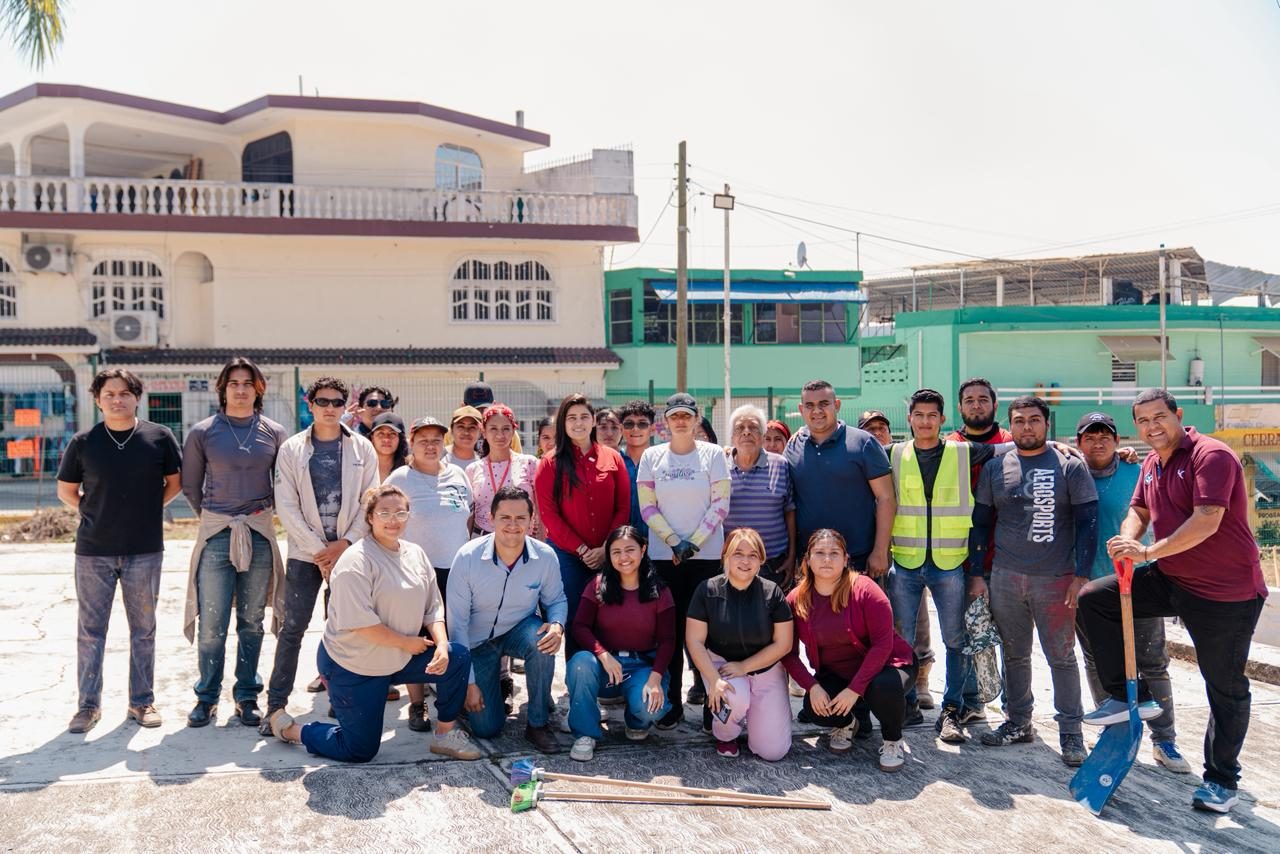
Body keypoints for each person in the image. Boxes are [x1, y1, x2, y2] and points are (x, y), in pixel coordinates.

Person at [1079, 389, 1268, 814]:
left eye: (1159, 417)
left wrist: (1147, 551)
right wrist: (1127, 538)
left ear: (1178, 415)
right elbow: (1139, 510)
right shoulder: (1151, 462)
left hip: (1225, 593)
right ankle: (1133, 695)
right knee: (1095, 600)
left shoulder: (1210, 455)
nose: (1152, 427)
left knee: (1224, 686)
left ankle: (1221, 781)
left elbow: (1207, 520)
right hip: (1174, 579)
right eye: (1143, 421)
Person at [268, 485, 481, 763]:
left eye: (400, 513)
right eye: (384, 513)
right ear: (370, 517)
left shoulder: (416, 553)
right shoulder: (355, 562)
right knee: (359, 750)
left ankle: (444, 735)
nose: (393, 520)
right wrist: (407, 643)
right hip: (353, 664)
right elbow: (363, 625)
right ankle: (293, 730)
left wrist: (441, 644)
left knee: (457, 657)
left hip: (398, 657)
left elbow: (433, 608)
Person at [969, 395, 1098, 767]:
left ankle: (1071, 734)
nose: (1027, 426)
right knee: (1014, 654)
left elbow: (1088, 523)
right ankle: (1018, 722)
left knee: (1061, 657)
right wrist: (977, 574)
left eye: (1034, 420)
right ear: (1010, 426)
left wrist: (1081, 576)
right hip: (1006, 577)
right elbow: (980, 524)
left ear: (1046, 423)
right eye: (1020, 420)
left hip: (1056, 580)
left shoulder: (1070, 465)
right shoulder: (996, 467)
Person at [885, 389, 1020, 741]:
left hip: (950, 563)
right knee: (902, 640)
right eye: (919, 415)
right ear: (909, 419)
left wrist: (1060, 448)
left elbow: (1012, 447)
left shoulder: (962, 451)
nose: (925, 421)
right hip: (906, 560)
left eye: (932, 415)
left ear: (943, 420)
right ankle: (907, 704)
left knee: (956, 640)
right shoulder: (894, 453)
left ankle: (951, 711)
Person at [57, 369, 183, 733]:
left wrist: (148, 509)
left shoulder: (159, 437)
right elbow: (66, 490)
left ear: (137, 397)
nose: (117, 399)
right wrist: (94, 512)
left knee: (143, 630)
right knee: (90, 632)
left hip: (144, 549)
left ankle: (141, 702)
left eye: (125, 393)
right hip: (93, 551)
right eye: (109, 394)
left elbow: (174, 483)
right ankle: (88, 706)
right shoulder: (84, 442)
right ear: (98, 400)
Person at [1072, 411, 1188, 774]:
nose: (1098, 443)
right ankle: (1115, 732)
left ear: (1118, 441)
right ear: (1078, 443)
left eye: (1105, 436)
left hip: (1137, 582)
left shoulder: (1136, 471)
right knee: (1097, 662)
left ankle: (1164, 739)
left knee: (1151, 661)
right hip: (1088, 587)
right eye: (1090, 437)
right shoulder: (1071, 472)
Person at [266, 377, 381, 734]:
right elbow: (286, 506)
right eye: (322, 401)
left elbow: (370, 500)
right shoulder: (292, 449)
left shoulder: (362, 448)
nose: (329, 408)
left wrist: (344, 544)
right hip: (306, 555)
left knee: (344, 629)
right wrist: (320, 550)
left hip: (349, 553)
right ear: (310, 404)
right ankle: (275, 706)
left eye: (336, 402)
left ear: (346, 406)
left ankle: (340, 700)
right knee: (292, 628)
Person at [180, 357, 289, 729]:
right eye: (233, 383)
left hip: (258, 534)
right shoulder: (203, 432)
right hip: (216, 535)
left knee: (252, 621)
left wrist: (257, 516)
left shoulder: (274, 432)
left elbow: (283, 484)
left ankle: (246, 696)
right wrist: (218, 519)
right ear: (222, 389)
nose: (240, 390)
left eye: (247, 384)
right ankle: (206, 697)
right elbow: (190, 486)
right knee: (212, 623)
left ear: (258, 390)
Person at [447, 486, 568, 753]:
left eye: (520, 518)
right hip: (477, 642)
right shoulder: (467, 557)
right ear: (491, 519)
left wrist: (558, 625)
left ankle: (538, 723)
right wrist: (469, 683)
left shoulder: (545, 556)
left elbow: (557, 600)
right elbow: (457, 627)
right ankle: (464, 694)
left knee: (543, 641)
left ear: (531, 520)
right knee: (486, 728)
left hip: (518, 630)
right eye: (505, 518)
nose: (513, 525)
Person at [784, 529, 916, 772]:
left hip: (888, 665)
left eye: (834, 553)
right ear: (808, 560)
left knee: (882, 687)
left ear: (845, 559)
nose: (826, 559)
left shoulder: (866, 590)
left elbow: (882, 645)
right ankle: (848, 722)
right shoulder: (796, 599)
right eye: (819, 553)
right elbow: (788, 653)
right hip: (839, 672)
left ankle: (892, 739)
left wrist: (855, 689)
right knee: (815, 709)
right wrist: (812, 686)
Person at [637, 392, 731, 725]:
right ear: (665, 421)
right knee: (671, 633)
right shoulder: (651, 456)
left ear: (696, 419)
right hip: (665, 558)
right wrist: (675, 542)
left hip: (705, 557)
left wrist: (693, 544)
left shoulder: (713, 454)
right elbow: (647, 507)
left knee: (708, 632)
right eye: (674, 416)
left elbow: (720, 503)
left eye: (686, 416)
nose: (680, 421)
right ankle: (672, 703)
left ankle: (711, 704)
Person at [383, 416, 474, 733]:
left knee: (453, 635)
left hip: (456, 570)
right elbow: (383, 520)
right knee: (418, 638)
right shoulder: (401, 478)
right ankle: (417, 703)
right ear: (411, 444)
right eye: (423, 440)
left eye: (436, 440)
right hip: (415, 571)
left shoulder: (458, 475)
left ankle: (451, 702)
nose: (431, 446)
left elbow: (467, 517)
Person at [533, 394, 631, 661]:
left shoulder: (613, 458)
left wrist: (606, 548)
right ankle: (579, 676)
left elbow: (623, 507)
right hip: (568, 556)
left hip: (609, 554)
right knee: (577, 617)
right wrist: (582, 550)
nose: (579, 423)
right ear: (563, 423)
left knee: (611, 615)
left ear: (593, 420)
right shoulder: (550, 463)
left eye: (584, 416)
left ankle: (613, 676)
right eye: (572, 417)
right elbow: (549, 516)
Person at [565, 526, 675, 761]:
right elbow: (579, 626)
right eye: (616, 552)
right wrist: (603, 655)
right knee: (580, 663)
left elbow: (668, 640)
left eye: (630, 550)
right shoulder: (597, 584)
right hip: (606, 666)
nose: (623, 557)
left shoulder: (660, 590)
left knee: (648, 710)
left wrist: (655, 679)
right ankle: (585, 732)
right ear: (609, 555)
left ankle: (636, 720)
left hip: (642, 665)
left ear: (643, 550)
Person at [686, 528, 794, 760]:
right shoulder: (707, 590)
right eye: (738, 554)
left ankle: (757, 717)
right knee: (735, 697)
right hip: (722, 664)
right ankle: (726, 735)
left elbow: (784, 644)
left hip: (764, 668)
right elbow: (694, 640)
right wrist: (713, 680)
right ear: (725, 556)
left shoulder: (772, 592)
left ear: (761, 560)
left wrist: (744, 667)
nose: (745, 561)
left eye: (753, 555)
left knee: (773, 751)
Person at [784, 379, 895, 577]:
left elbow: (886, 498)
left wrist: (880, 551)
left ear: (837, 405)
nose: (817, 411)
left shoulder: (864, 443)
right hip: (809, 564)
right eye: (809, 405)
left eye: (823, 404)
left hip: (858, 561)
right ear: (801, 409)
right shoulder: (793, 447)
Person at [724, 404, 795, 587]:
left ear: (762, 436)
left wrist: (791, 556)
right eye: (740, 427)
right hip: (730, 565)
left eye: (753, 427)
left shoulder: (781, 465)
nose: (746, 432)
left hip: (773, 564)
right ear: (732, 437)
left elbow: (790, 511)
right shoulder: (719, 467)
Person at [466, 403, 539, 535]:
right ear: (484, 432)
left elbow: (541, 510)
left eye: (506, 429)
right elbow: (469, 514)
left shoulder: (530, 464)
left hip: (520, 538)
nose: (500, 435)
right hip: (482, 539)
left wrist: (540, 539)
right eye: (493, 429)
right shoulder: (472, 470)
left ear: (513, 431)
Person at [618, 399, 656, 539]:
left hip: (656, 540)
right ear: (621, 428)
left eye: (642, 424)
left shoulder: (661, 462)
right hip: (620, 541)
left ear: (652, 429)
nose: (635, 429)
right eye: (629, 424)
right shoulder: (612, 462)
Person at [369, 412, 409, 482]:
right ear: (372, 438)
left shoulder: (409, 470)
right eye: (381, 434)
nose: (386, 439)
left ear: (400, 439)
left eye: (392, 434)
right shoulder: (362, 466)